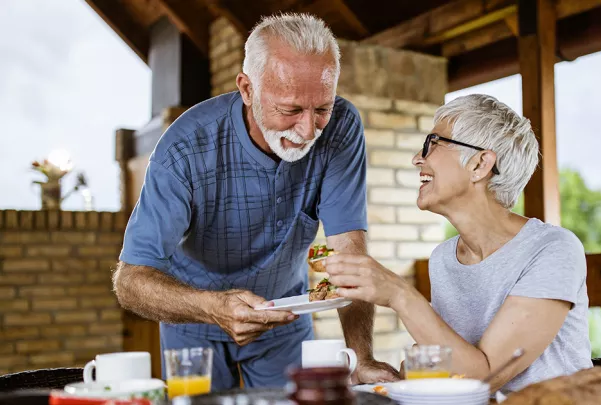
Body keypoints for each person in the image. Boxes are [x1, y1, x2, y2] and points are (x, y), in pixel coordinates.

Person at [113, 13, 398, 390]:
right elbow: (130, 281)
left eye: (322, 109)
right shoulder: (183, 148)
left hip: (285, 317)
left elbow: (350, 255)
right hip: (194, 322)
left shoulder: (342, 128)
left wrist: (360, 358)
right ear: (247, 89)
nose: (309, 130)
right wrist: (212, 308)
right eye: (291, 110)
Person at [324, 94, 593, 393]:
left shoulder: (553, 249)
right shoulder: (444, 259)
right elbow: (447, 366)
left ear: (479, 163)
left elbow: (484, 378)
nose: (417, 158)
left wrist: (399, 294)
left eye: (434, 143)